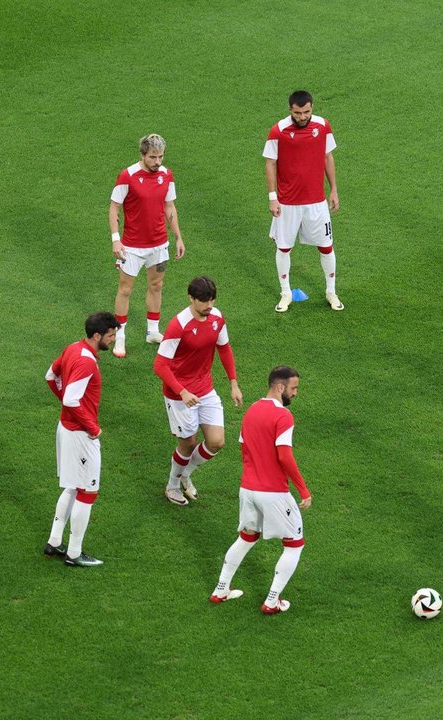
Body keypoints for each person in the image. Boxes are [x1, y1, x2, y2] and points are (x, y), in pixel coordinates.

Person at [210, 367, 311, 614]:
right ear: (280, 387)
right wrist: (303, 490)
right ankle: (272, 600)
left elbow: (244, 449)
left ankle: (221, 589)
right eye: (294, 388)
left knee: (246, 537)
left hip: (248, 489)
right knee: (294, 543)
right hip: (273, 492)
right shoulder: (283, 416)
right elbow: (285, 456)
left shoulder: (252, 409)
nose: (295, 393)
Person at [153, 276, 243, 506]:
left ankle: (185, 474)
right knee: (189, 443)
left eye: (212, 300)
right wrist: (182, 391)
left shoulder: (217, 318)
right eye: (204, 301)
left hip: (205, 389)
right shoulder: (178, 326)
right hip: (179, 394)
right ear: (191, 298)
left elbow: (224, 348)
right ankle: (172, 487)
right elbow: (160, 365)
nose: (209, 306)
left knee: (216, 442)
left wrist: (233, 383)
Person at [43, 312, 120, 567]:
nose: (114, 339)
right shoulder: (87, 362)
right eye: (111, 335)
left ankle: (54, 542)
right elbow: (71, 399)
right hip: (79, 435)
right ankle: (74, 553)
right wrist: (92, 427)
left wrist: (68, 410)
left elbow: (50, 377)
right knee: (88, 491)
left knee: (73, 487)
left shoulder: (72, 348)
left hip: (65, 429)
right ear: (97, 336)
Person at [263, 90, 343, 313]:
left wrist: (334, 190)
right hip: (287, 203)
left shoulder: (323, 126)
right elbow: (270, 163)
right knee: (284, 247)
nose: (302, 117)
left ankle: (331, 291)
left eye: (306, 112)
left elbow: (328, 157)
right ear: (290, 110)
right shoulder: (278, 131)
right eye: (298, 113)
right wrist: (273, 198)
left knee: (326, 247)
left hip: (316, 202)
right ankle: (285, 293)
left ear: (312, 108)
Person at [109, 133, 186, 357]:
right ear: (143, 155)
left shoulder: (166, 175)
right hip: (132, 247)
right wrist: (116, 239)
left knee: (157, 286)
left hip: (159, 244)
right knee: (125, 289)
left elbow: (169, 207)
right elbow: (114, 207)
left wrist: (178, 237)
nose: (158, 162)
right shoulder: (128, 176)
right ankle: (119, 336)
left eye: (160, 156)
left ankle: (153, 331)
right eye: (153, 157)